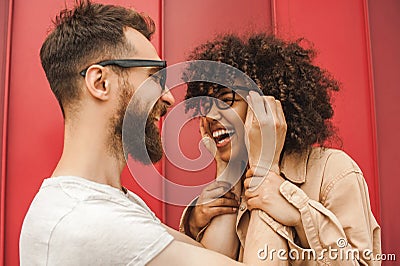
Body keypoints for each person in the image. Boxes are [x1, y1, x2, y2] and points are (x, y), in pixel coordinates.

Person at [19, 1, 286, 265]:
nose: (169, 98)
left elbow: (213, 258)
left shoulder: (105, 202)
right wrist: (266, 166)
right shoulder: (89, 221)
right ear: (101, 83)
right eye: (154, 78)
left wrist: (227, 166)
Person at [181, 33, 381, 265]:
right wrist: (202, 213)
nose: (211, 116)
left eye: (227, 100)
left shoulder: (335, 171)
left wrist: (301, 214)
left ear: (266, 105)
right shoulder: (234, 182)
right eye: (206, 105)